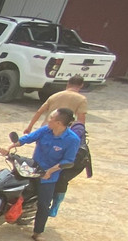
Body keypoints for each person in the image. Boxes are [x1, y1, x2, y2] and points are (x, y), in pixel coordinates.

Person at [2, 107, 79, 241]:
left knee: (44, 204)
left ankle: (38, 232)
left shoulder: (72, 140)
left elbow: (68, 160)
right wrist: (9, 147)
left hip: (49, 176)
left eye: (51, 118)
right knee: (9, 183)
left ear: (59, 123)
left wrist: (50, 171)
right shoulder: (45, 130)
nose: (48, 120)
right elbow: (27, 139)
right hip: (32, 168)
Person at [24, 77, 92, 219]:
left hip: (45, 133)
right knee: (61, 174)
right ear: (81, 85)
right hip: (62, 137)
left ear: (68, 83)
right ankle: (54, 205)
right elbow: (81, 122)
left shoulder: (55, 95)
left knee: (38, 162)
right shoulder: (81, 99)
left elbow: (39, 111)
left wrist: (30, 126)